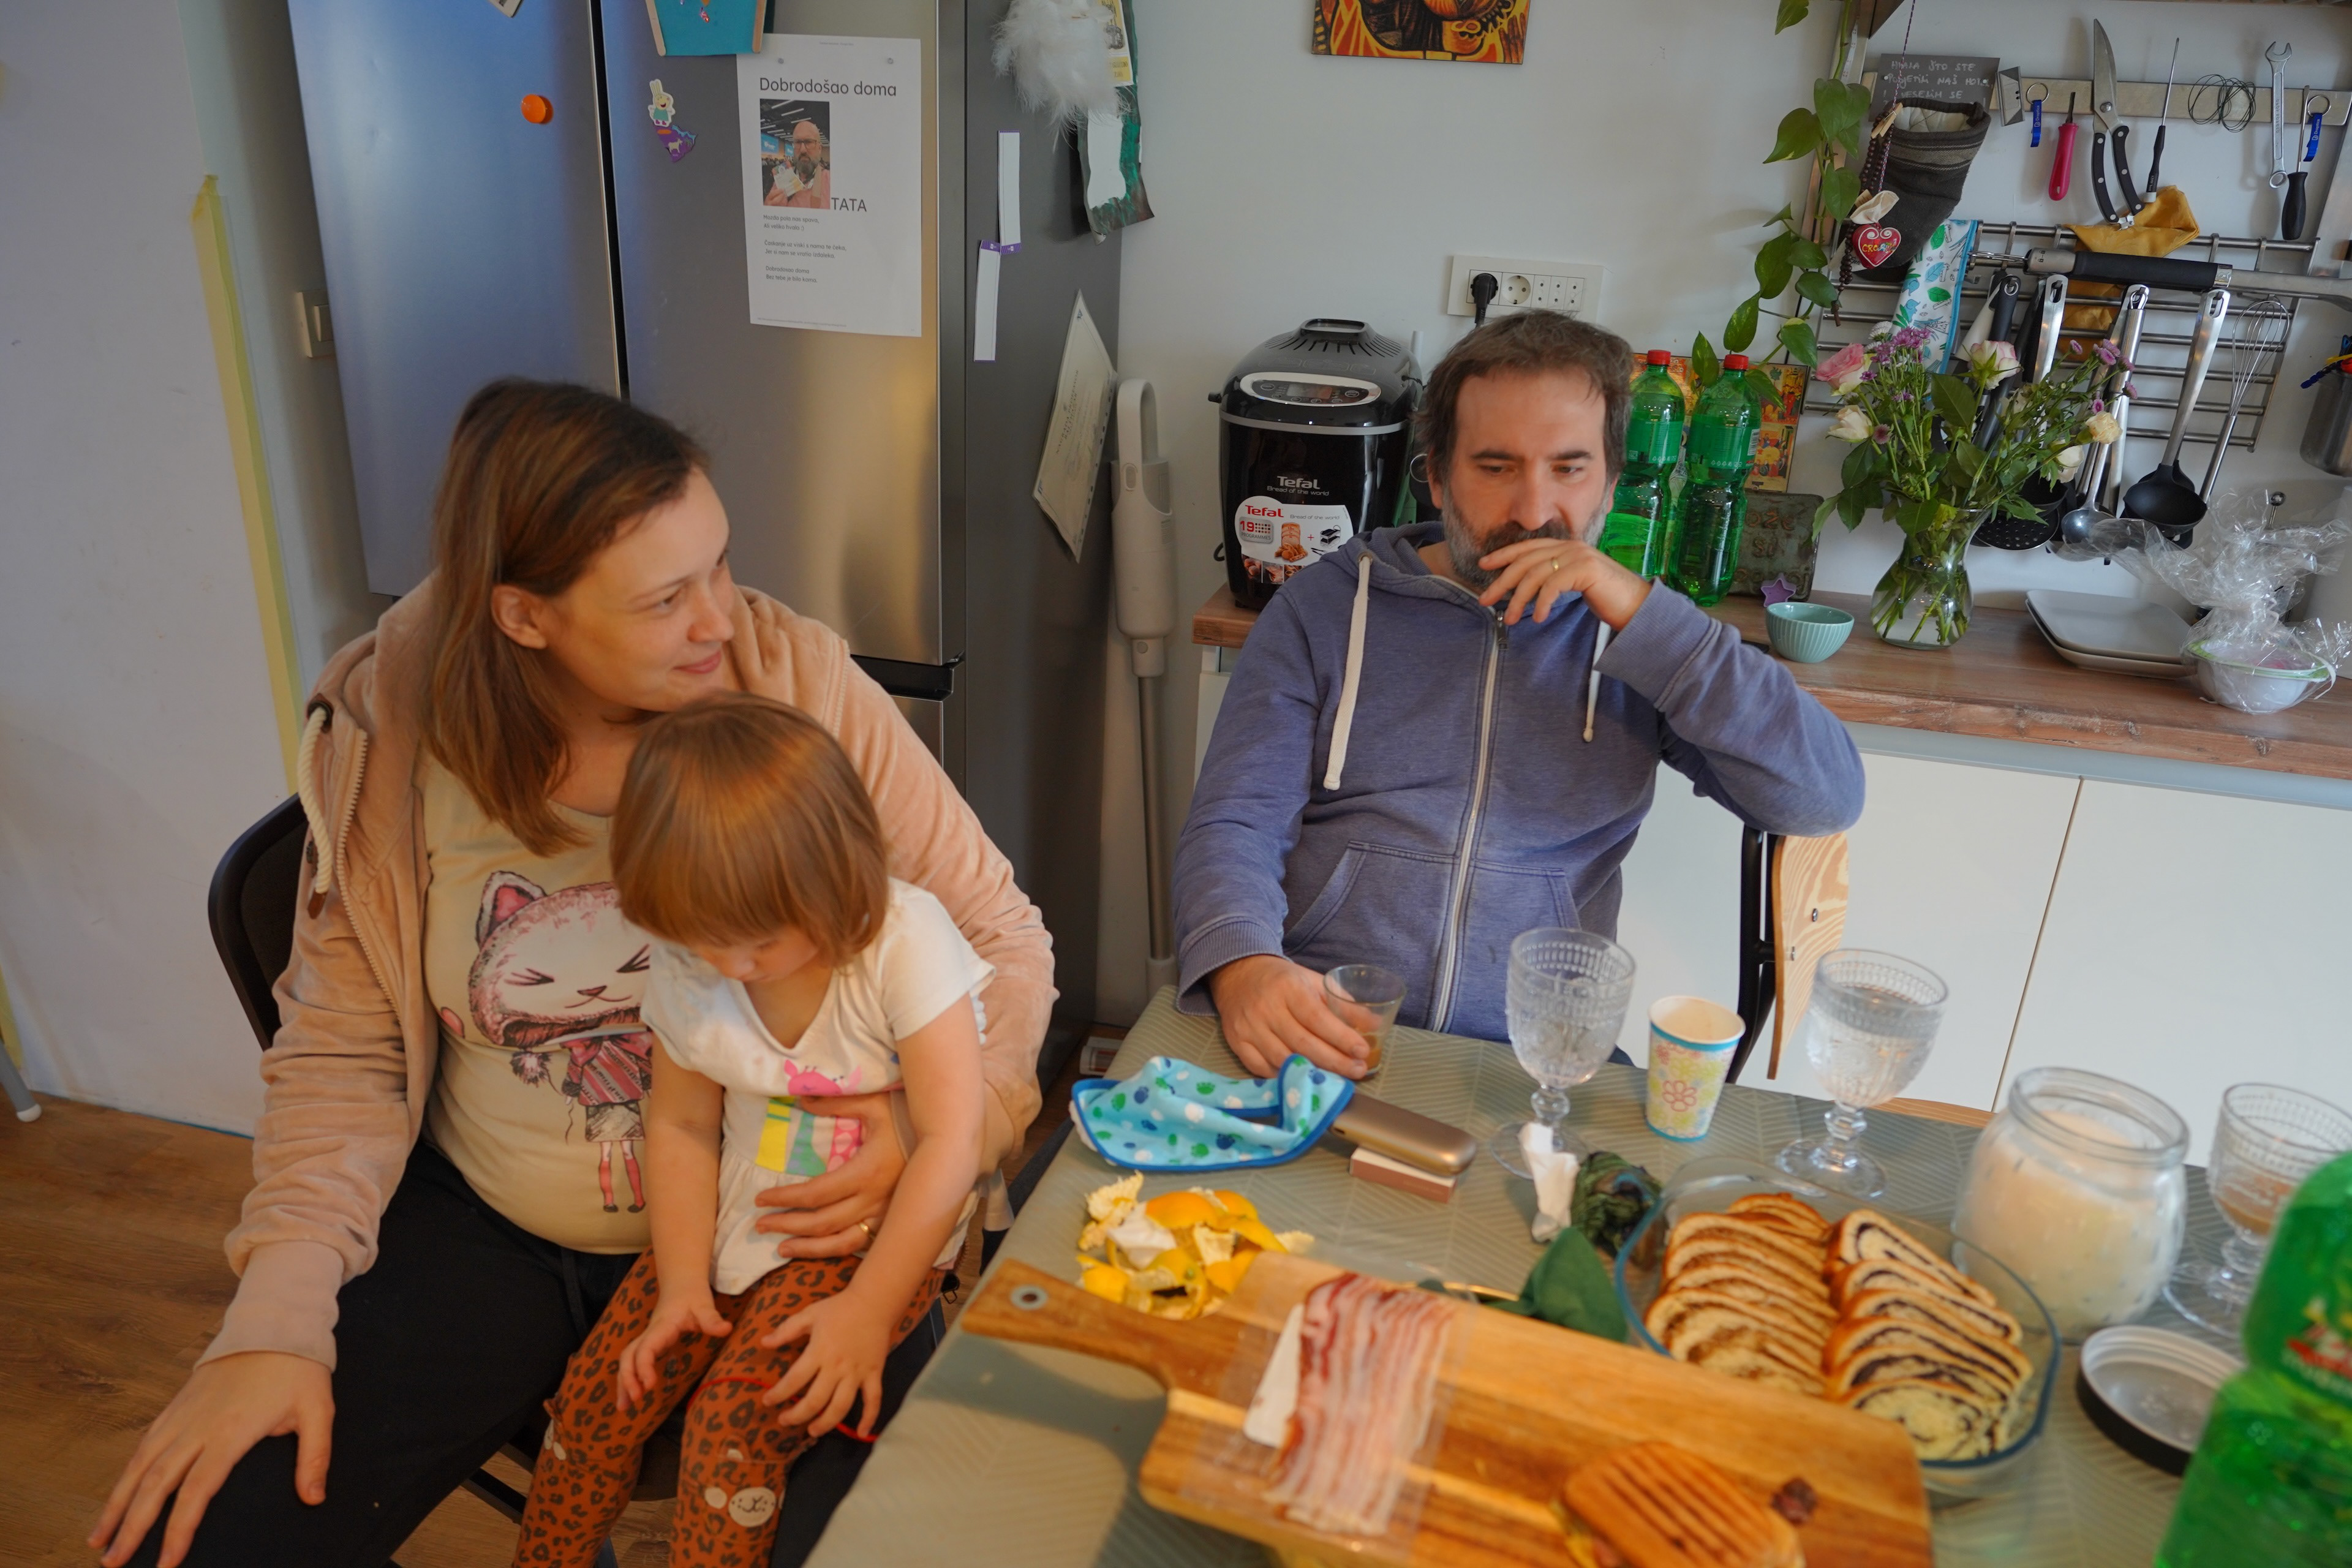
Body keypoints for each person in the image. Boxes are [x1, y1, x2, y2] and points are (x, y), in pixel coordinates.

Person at [92, 380, 1055, 1568]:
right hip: (492, 1232)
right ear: (524, 615)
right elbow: (342, 1055)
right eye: (665, 599)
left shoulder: (791, 683)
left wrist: (934, 1126)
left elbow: (1002, 936)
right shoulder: (398, 731)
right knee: (208, 1535)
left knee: (885, 1536)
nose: (721, 619)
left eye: (719, 564)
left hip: (790, 1222)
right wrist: (272, 1322)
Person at [1173, 311, 1864, 1078]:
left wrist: (1647, 617)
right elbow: (1234, 824)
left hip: (1541, 1063)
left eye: (1569, 469)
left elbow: (1824, 798)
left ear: (1611, 481)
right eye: (1497, 467)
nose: (1534, 512)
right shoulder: (1322, 608)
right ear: (1438, 477)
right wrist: (1242, 965)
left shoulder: (1643, 640)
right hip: (1327, 1029)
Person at [512, 694, 989, 1567]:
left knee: (729, 1438)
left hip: (866, 1236)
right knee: (592, 1406)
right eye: (702, 944)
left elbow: (954, 1140)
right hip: (737, 1212)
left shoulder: (906, 939)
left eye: (758, 944)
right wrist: (680, 1286)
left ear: (837, 878)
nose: (731, 967)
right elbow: (683, 1123)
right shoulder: (692, 957)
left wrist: (870, 1308)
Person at [779, 119, 829, 209]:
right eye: (798, 142)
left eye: (809, 142)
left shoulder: (831, 180)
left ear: (819, 149)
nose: (803, 150)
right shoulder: (784, 175)